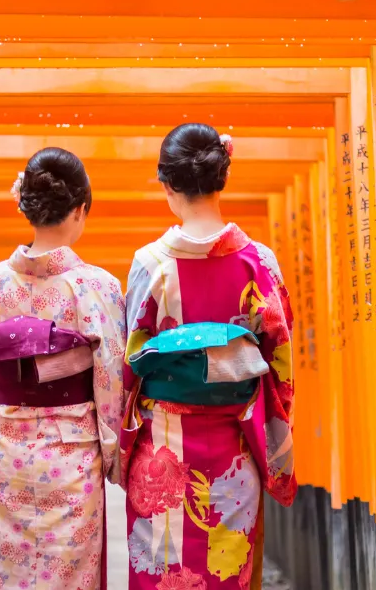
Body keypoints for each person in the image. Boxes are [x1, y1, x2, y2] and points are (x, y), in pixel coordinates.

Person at [120, 124, 297, 589]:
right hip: (232, 452)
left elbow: (128, 365)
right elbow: (281, 369)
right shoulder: (259, 263)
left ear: (167, 185)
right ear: (224, 176)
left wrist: (118, 448)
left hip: (161, 451)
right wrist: (272, 448)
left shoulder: (149, 265)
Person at [0, 147, 126, 590]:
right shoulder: (98, 286)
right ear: (81, 209)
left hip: (1, 447)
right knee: (67, 573)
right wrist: (113, 455)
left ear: (26, 206)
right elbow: (110, 377)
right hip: (69, 451)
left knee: (4, 572)